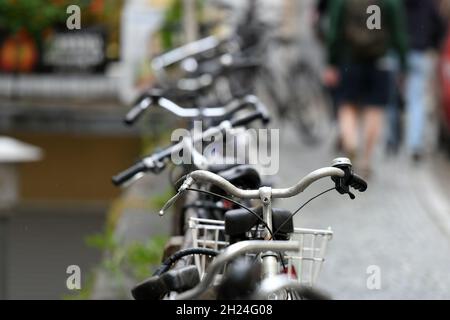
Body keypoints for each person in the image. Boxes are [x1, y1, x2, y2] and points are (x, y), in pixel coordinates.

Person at [323, 0, 408, 177]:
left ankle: (351, 143)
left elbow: (334, 31)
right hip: (380, 62)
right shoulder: (390, 2)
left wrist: (331, 61)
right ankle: (366, 160)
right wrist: (403, 63)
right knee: (375, 109)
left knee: (347, 105)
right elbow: (399, 33)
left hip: (350, 60)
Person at [403, 0, 445, 162]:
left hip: (401, 52)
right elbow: (440, 27)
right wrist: (433, 44)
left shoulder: (400, 5)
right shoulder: (429, 4)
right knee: (417, 101)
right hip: (421, 53)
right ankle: (414, 144)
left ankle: (391, 140)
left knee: (392, 100)